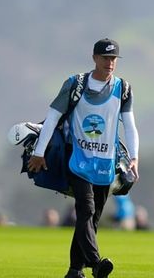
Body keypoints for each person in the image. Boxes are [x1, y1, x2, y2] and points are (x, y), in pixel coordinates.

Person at [27, 38, 140, 278]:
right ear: (94, 58)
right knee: (86, 210)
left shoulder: (124, 89)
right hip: (77, 159)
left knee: (91, 219)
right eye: (105, 58)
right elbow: (52, 117)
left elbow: (130, 127)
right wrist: (39, 153)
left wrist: (134, 158)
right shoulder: (75, 84)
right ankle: (96, 263)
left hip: (105, 164)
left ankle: (74, 270)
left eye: (113, 59)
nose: (110, 63)